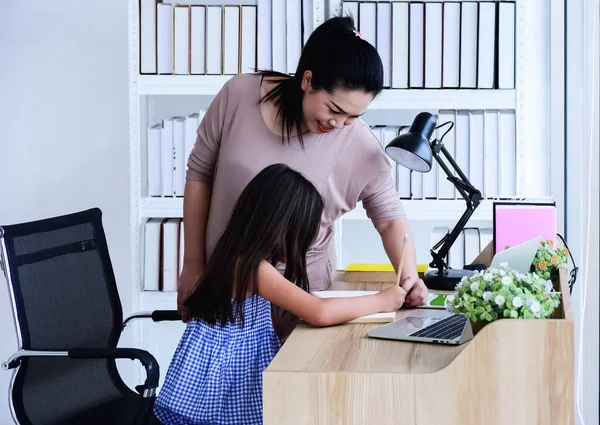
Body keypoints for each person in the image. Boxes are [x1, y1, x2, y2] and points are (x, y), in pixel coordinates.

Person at [178, 15, 428, 339]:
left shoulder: (359, 144)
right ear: (308, 80)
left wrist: (408, 278)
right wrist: (192, 263)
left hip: (303, 301)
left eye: (354, 116)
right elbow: (199, 175)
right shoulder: (239, 96)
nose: (339, 124)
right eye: (334, 109)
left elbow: (390, 219)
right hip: (223, 289)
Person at [154, 164, 407, 425]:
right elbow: (318, 312)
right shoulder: (255, 269)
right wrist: (381, 300)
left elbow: (297, 311)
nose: (304, 242)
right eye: (301, 232)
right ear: (279, 225)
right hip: (224, 389)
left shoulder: (236, 256)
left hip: (219, 379)